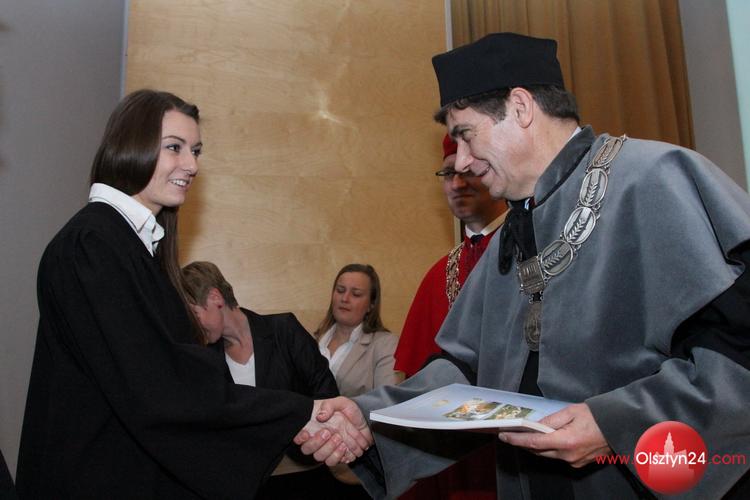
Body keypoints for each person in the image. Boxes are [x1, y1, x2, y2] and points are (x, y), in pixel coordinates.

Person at [300, 33, 750, 499]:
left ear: (520, 107)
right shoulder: (510, 233)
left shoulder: (654, 178)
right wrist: (370, 418)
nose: (463, 162)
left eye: (466, 135)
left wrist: (615, 425)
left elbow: (737, 358)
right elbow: (467, 375)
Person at [15, 89, 369, 499]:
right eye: (174, 147)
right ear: (131, 145)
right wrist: (301, 412)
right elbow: (161, 388)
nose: (192, 165)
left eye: (196, 151)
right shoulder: (93, 245)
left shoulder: (125, 246)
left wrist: (302, 414)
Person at [394, 134, 507, 500]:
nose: (457, 184)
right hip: (452, 462)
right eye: (447, 173)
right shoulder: (436, 276)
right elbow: (415, 382)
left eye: (468, 171)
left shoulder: (535, 250)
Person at [181, 260, 346, 499]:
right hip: (247, 484)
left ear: (215, 297)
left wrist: (307, 434)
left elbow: (326, 392)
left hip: (305, 474)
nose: (192, 325)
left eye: (193, 314)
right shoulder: (205, 357)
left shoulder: (283, 330)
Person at [314, 263, 404, 496]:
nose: (345, 298)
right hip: (309, 462)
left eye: (356, 294)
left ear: (371, 304)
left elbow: (388, 405)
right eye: (340, 290)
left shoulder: (385, 344)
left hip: (357, 466)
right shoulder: (312, 342)